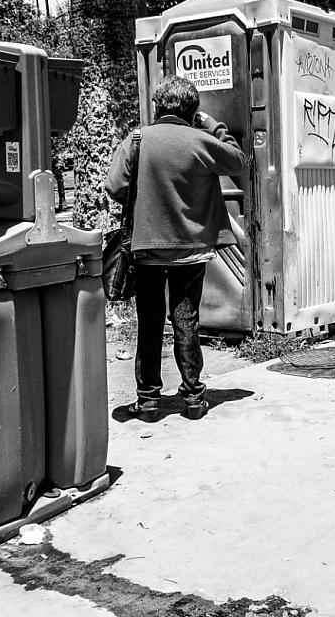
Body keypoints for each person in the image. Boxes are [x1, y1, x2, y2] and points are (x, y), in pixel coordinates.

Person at [104, 76, 248, 421]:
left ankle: (149, 400)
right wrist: (213, 125)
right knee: (186, 318)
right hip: (190, 248)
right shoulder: (201, 141)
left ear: (158, 107)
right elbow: (238, 162)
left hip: (147, 248)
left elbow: (114, 186)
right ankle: (195, 398)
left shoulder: (137, 139)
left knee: (150, 321)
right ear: (193, 111)